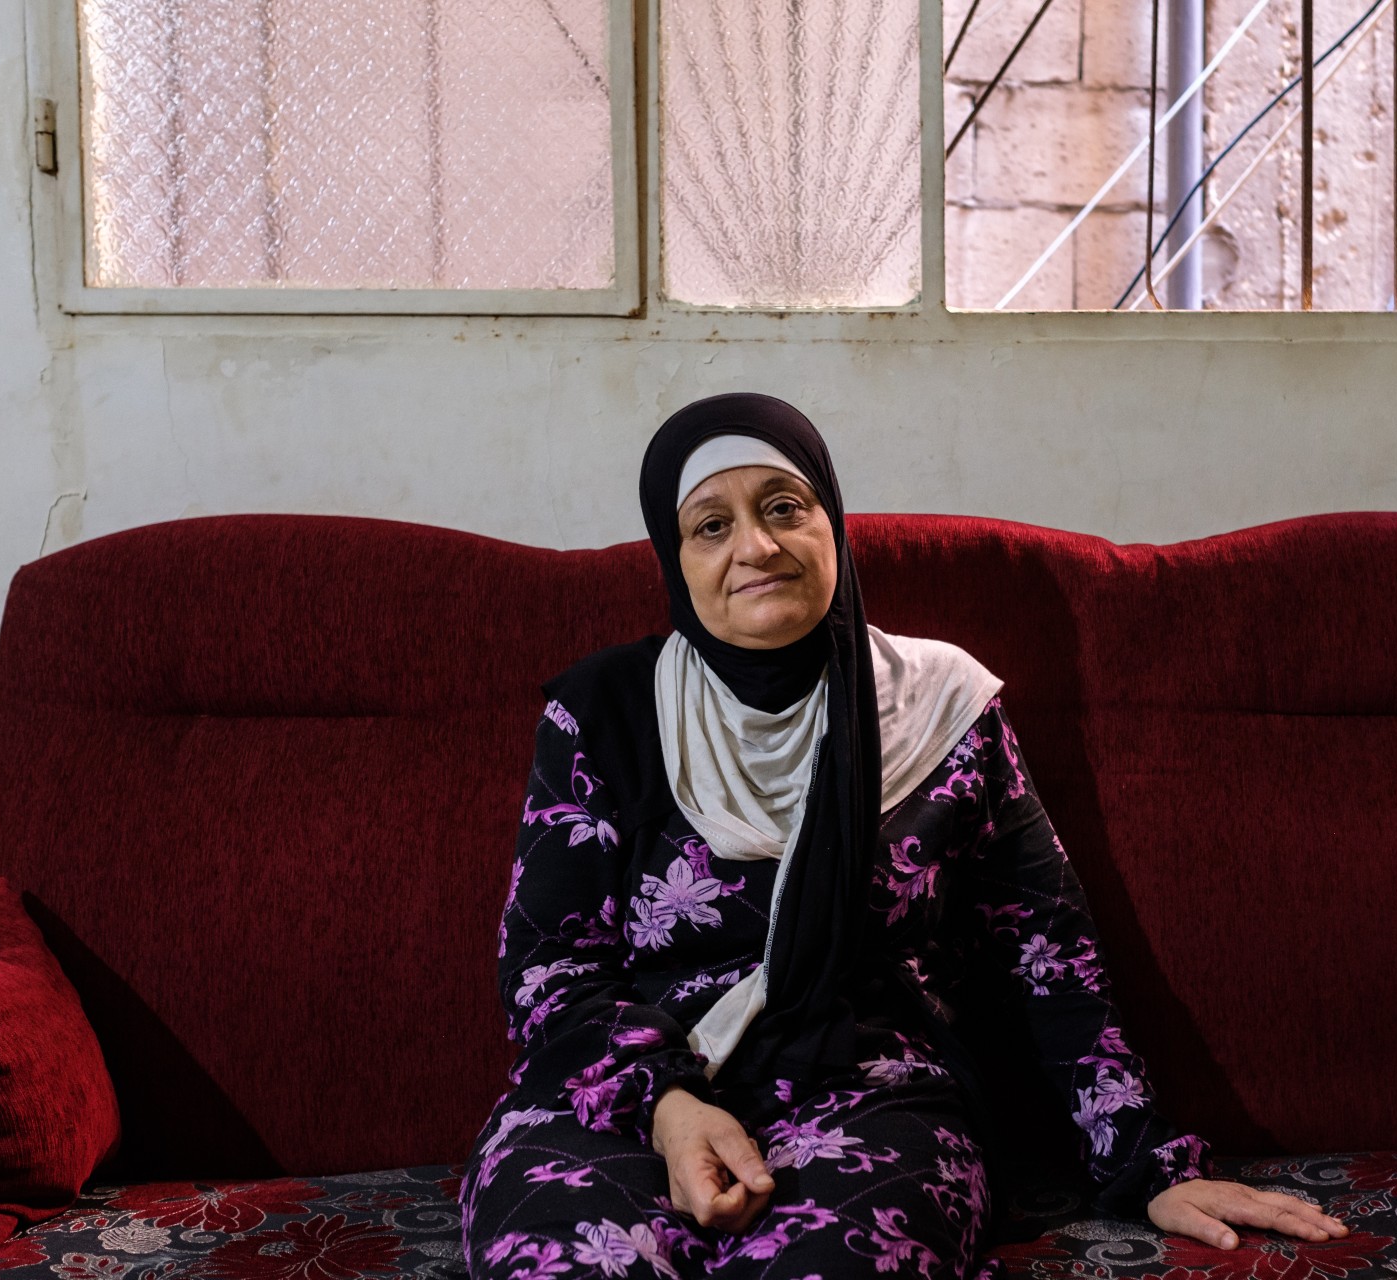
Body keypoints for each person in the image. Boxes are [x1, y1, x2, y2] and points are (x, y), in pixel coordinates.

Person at [460, 393, 1344, 1280]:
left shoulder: (941, 707)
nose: (756, 547)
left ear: (832, 526)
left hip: (871, 1093)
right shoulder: (605, 715)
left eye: (783, 508)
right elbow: (548, 964)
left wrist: (1147, 1163)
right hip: (620, 1096)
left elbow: (1048, 956)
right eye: (710, 525)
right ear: (673, 559)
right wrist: (670, 1103)